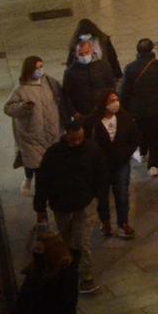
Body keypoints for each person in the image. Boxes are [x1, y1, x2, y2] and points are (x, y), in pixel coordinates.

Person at [36, 120, 103, 295]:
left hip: (84, 202)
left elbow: (101, 174)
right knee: (65, 240)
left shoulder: (92, 150)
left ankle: (85, 276)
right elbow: (42, 181)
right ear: (65, 135)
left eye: (80, 138)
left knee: (81, 241)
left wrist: (97, 195)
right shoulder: (53, 154)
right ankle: (66, 271)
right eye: (73, 139)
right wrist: (40, 207)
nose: (76, 142)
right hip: (62, 204)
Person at [4, 55, 63, 212]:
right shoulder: (21, 90)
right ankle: (41, 209)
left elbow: (61, 100)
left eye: (41, 66)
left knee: (52, 171)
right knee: (41, 173)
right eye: (37, 67)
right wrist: (23, 107)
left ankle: (50, 201)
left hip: (52, 134)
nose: (40, 70)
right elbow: (8, 108)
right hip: (32, 138)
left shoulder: (50, 83)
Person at [14, 231, 79, 314]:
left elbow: (62, 309)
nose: (35, 254)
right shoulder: (38, 270)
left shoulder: (63, 276)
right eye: (35, 250)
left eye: (39, 251)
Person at [89, 88, 138, 240]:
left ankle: (123, 223)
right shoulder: (93, 122)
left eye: (116, 99)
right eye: (111, 100)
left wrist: (126, 153)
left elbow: (134, 138)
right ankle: (105, 222)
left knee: (122, 193)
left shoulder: (125, 117)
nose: (115, 103)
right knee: (102, 196)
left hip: (121, 162)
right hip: (102, 166)